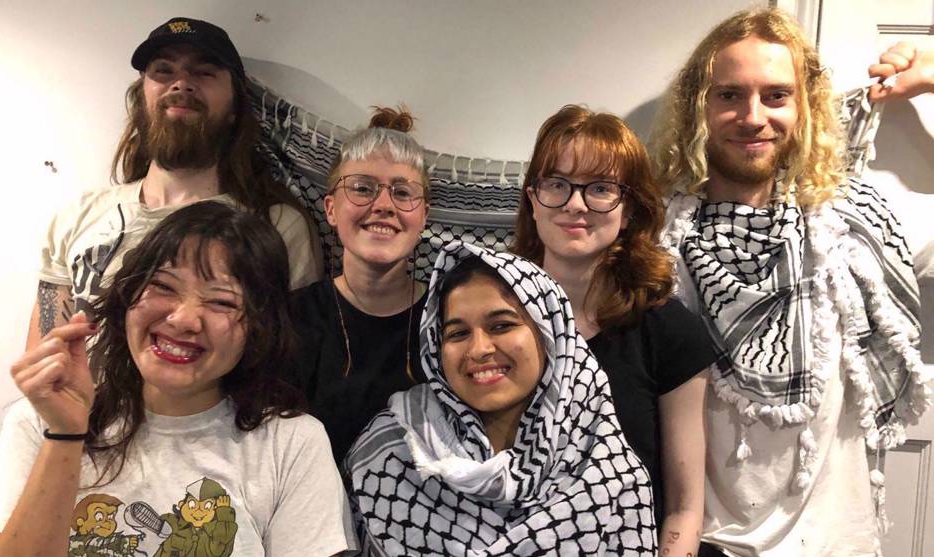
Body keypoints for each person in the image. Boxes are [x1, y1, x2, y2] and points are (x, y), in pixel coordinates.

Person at [650, 8, 929, 556]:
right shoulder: (655, 236)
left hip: (833, 540)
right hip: (697, 540)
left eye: (776, 95)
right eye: (728, 95)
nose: (752, 117)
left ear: (804, 108)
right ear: (698, 107)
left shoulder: (857, 225)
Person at [0, 201, 356, 557]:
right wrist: (65, 434)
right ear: (127, 295)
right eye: (164, 287)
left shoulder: (290, 443)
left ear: (258, 328)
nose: (184, 319)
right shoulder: (40, 420)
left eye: (221, 302)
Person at [346, 242, 657, 556]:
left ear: (549, 335)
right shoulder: (393, 453)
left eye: (501, 326)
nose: (479, 349)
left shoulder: (610, 474)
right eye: (457, 333)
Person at [28, 17, 320, 347]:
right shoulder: (79, 216)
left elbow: (288, 363)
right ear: (141, 97)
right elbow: (44, 357)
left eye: (204, 72)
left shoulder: (276, 226)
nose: (181, 83)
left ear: (236, 106)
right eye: (164, 70)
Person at [511, 106, 715, 557]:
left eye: (600, 188)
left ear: (629, 210)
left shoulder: (669, 332)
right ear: (532, 198)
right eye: (557, 184)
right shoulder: (492, 319)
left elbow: (684, 506)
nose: (575, 204)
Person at [291, 107, 429, 463]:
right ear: (331, 209)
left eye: (402, 193)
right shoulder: (290, 319)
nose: (383, 205)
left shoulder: (450, 320)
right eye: (362, 188)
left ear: (424, 216)